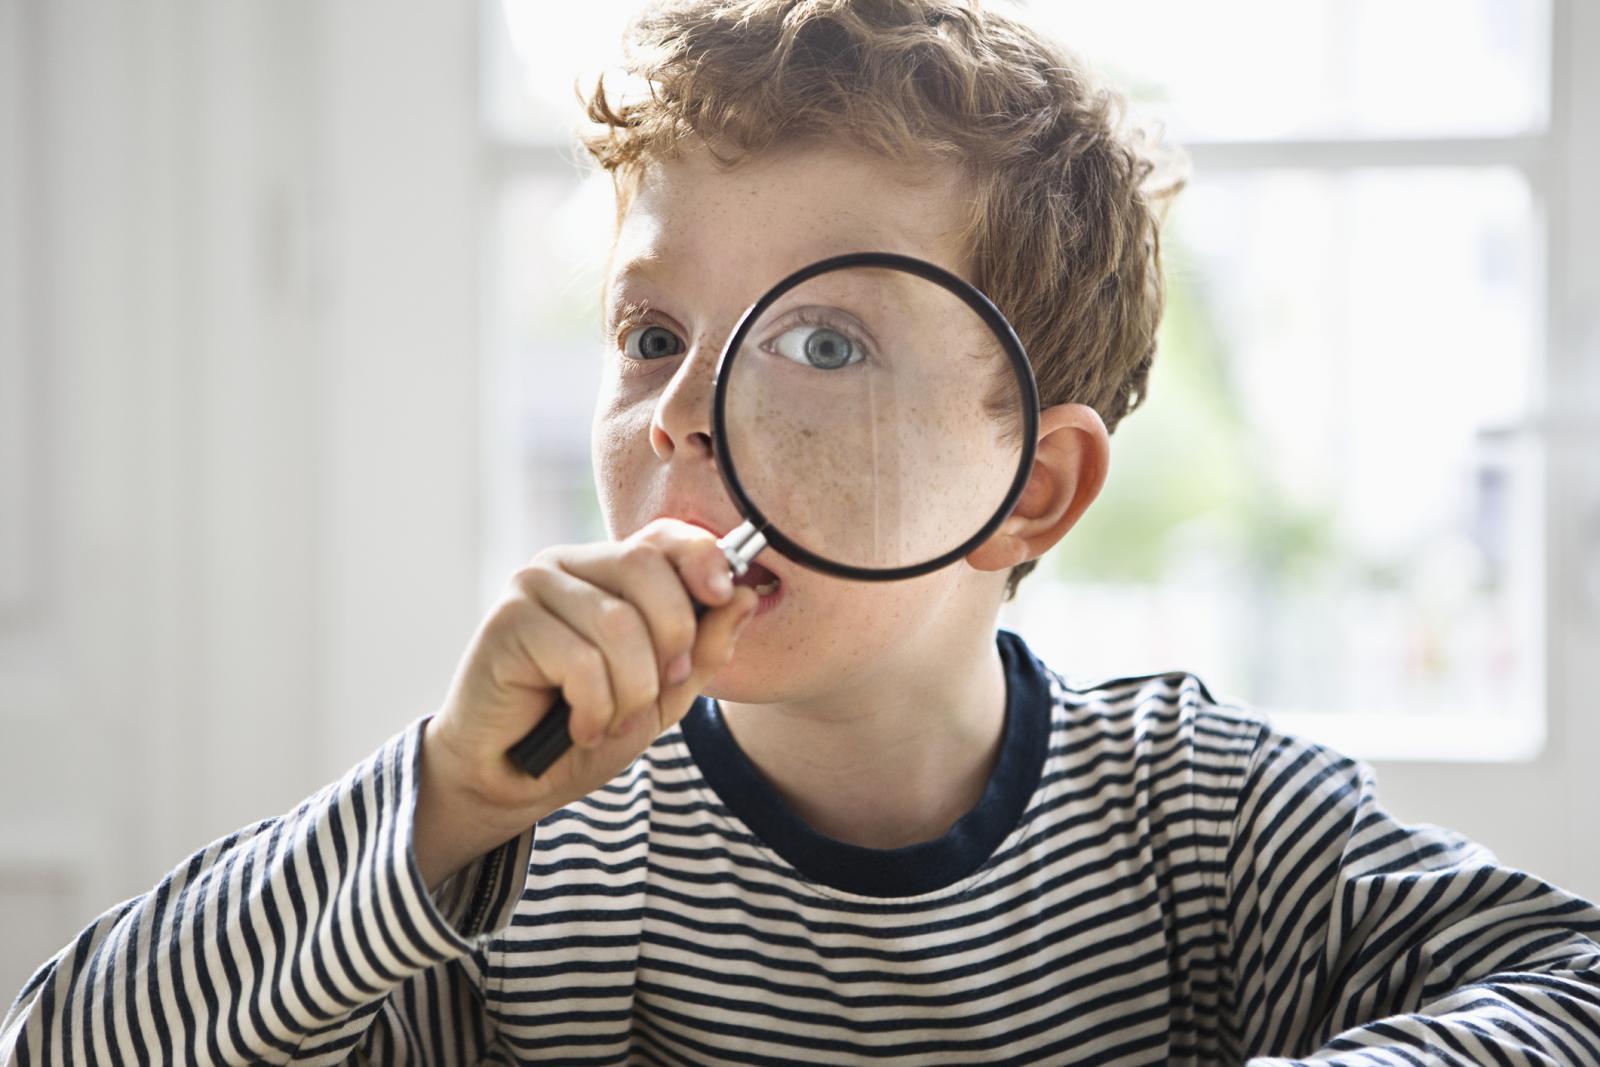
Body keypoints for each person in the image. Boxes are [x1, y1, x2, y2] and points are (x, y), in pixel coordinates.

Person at [7, 1, 1600, 1063]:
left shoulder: (1206, 829)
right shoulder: (521, 853)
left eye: (822, 343)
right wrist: (435, 805)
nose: (683, 414)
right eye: (647, 335)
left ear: (1031, 491)